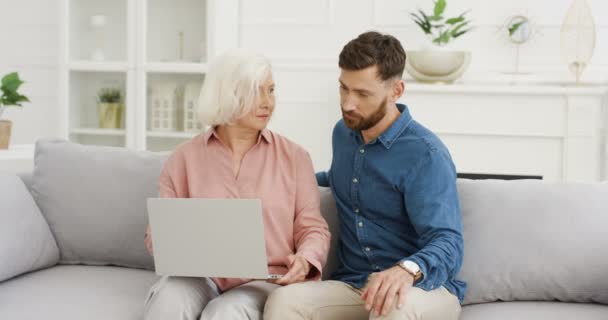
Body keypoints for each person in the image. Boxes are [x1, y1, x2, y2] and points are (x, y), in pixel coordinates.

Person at [264, 31, 465, 320]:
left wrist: (405, 270)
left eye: (362, 94)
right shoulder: (343, 133)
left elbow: (448, 242)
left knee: (393, 309)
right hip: (355, 283)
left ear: (396, 91)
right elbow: (334, 179)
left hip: (421, 289)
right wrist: (275, 184)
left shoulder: (425, 154)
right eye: (344, 89)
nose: (348, 103)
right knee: (286, 301)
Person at [143, 49, 331, 320]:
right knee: (168, 300)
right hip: (200, 276)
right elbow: (157, 237)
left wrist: (305, 259)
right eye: (257, 91)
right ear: (227, 94)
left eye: (271, 90)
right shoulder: (184, 158)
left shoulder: (295, 157)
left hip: (264, 279)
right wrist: (163, 238)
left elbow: (313, 227)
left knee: (225, 312)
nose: (268, 102)